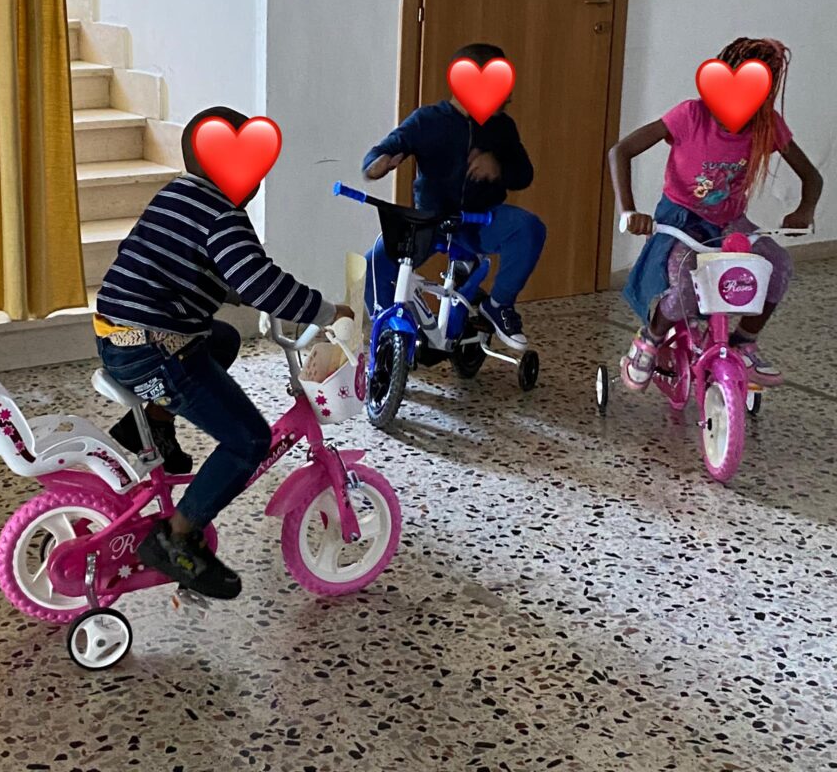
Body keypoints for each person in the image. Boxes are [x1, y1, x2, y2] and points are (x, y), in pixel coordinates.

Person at [93, 105, 352, 599]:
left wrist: (244, 294)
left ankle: (152, 422)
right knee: (249, 440)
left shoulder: (178, 194)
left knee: (224, 340)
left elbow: (190, 264)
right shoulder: (224, 217)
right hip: (154, 352)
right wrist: (323, 310)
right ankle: (176, 538)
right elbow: (260, 281)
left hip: (119, 336)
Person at [608, 37, 823, 390]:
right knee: (685, 287)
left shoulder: (766, 125)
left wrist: (804, 210)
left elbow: (812, 177)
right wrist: (629, 211)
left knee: (777, 266)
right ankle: (649, 339)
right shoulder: (690, 115)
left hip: (728, 223)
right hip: (681, 219)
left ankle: (743, 342)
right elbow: (621, 151)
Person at [362, 42, 546, 350]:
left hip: (481, 219)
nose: (507, 96)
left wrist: (498, 168)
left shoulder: (502, 127)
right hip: (430, 221)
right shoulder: (427, 120)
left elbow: (524, 174)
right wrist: (377, 164)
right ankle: (388, 333)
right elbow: (382, 152)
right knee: (374, 262)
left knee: (530, 227)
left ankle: (498, 305)